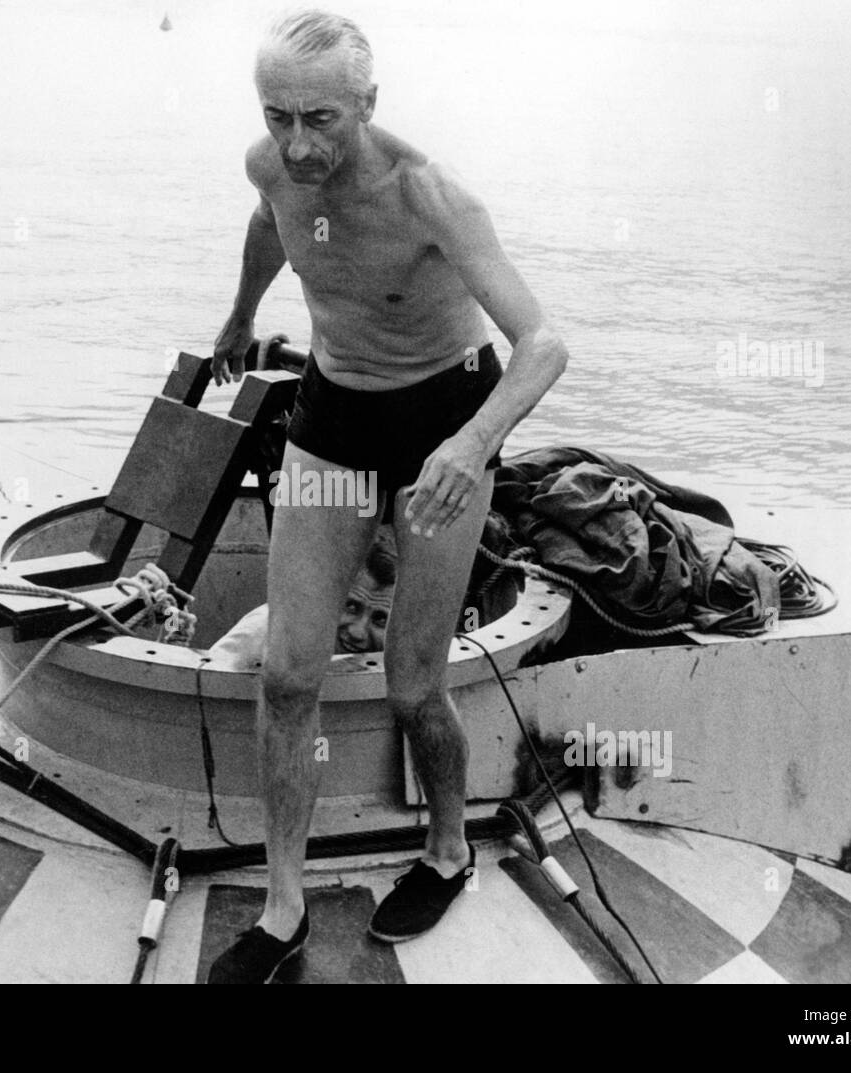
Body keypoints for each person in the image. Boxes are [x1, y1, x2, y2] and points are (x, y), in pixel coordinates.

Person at [206, 9, 569, 983]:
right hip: (333, 416)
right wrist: (240, 314)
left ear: (367, 102)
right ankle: (283, 908)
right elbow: (268, 228)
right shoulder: (270, 167)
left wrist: (472, 441)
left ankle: (447, 850)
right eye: (277, 114)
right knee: (288, 675)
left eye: (319, 117)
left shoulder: (429, 196)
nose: (297, 142)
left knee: (415, 682)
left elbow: (543, 345)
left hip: (438, 426)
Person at [207, 526, 397, 667]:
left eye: (380, 620)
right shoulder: (269, 627)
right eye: (351, 607)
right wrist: (175, 628)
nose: (358, 632)